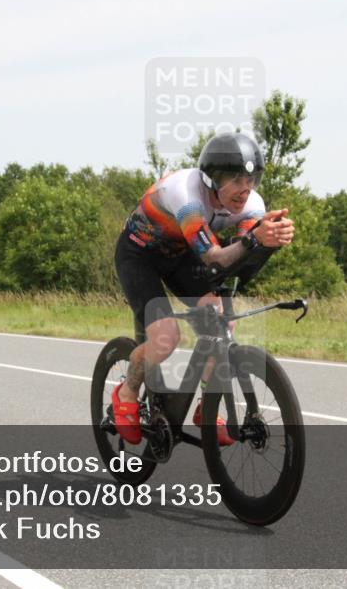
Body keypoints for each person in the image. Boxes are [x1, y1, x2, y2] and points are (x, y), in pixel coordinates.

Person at [113, 132, 295, 445]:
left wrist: (267, 244)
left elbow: (238, 260)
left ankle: (206, 408)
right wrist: (255, 239)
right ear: (213, 179)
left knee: (221, 321)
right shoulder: (186, 194)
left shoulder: (252, 204)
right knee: (167, 337)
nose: (245, 189)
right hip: (140, 254)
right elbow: (214, 257)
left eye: (252, 179)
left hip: (183, 255)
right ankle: (127, 390)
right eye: (237, 180)